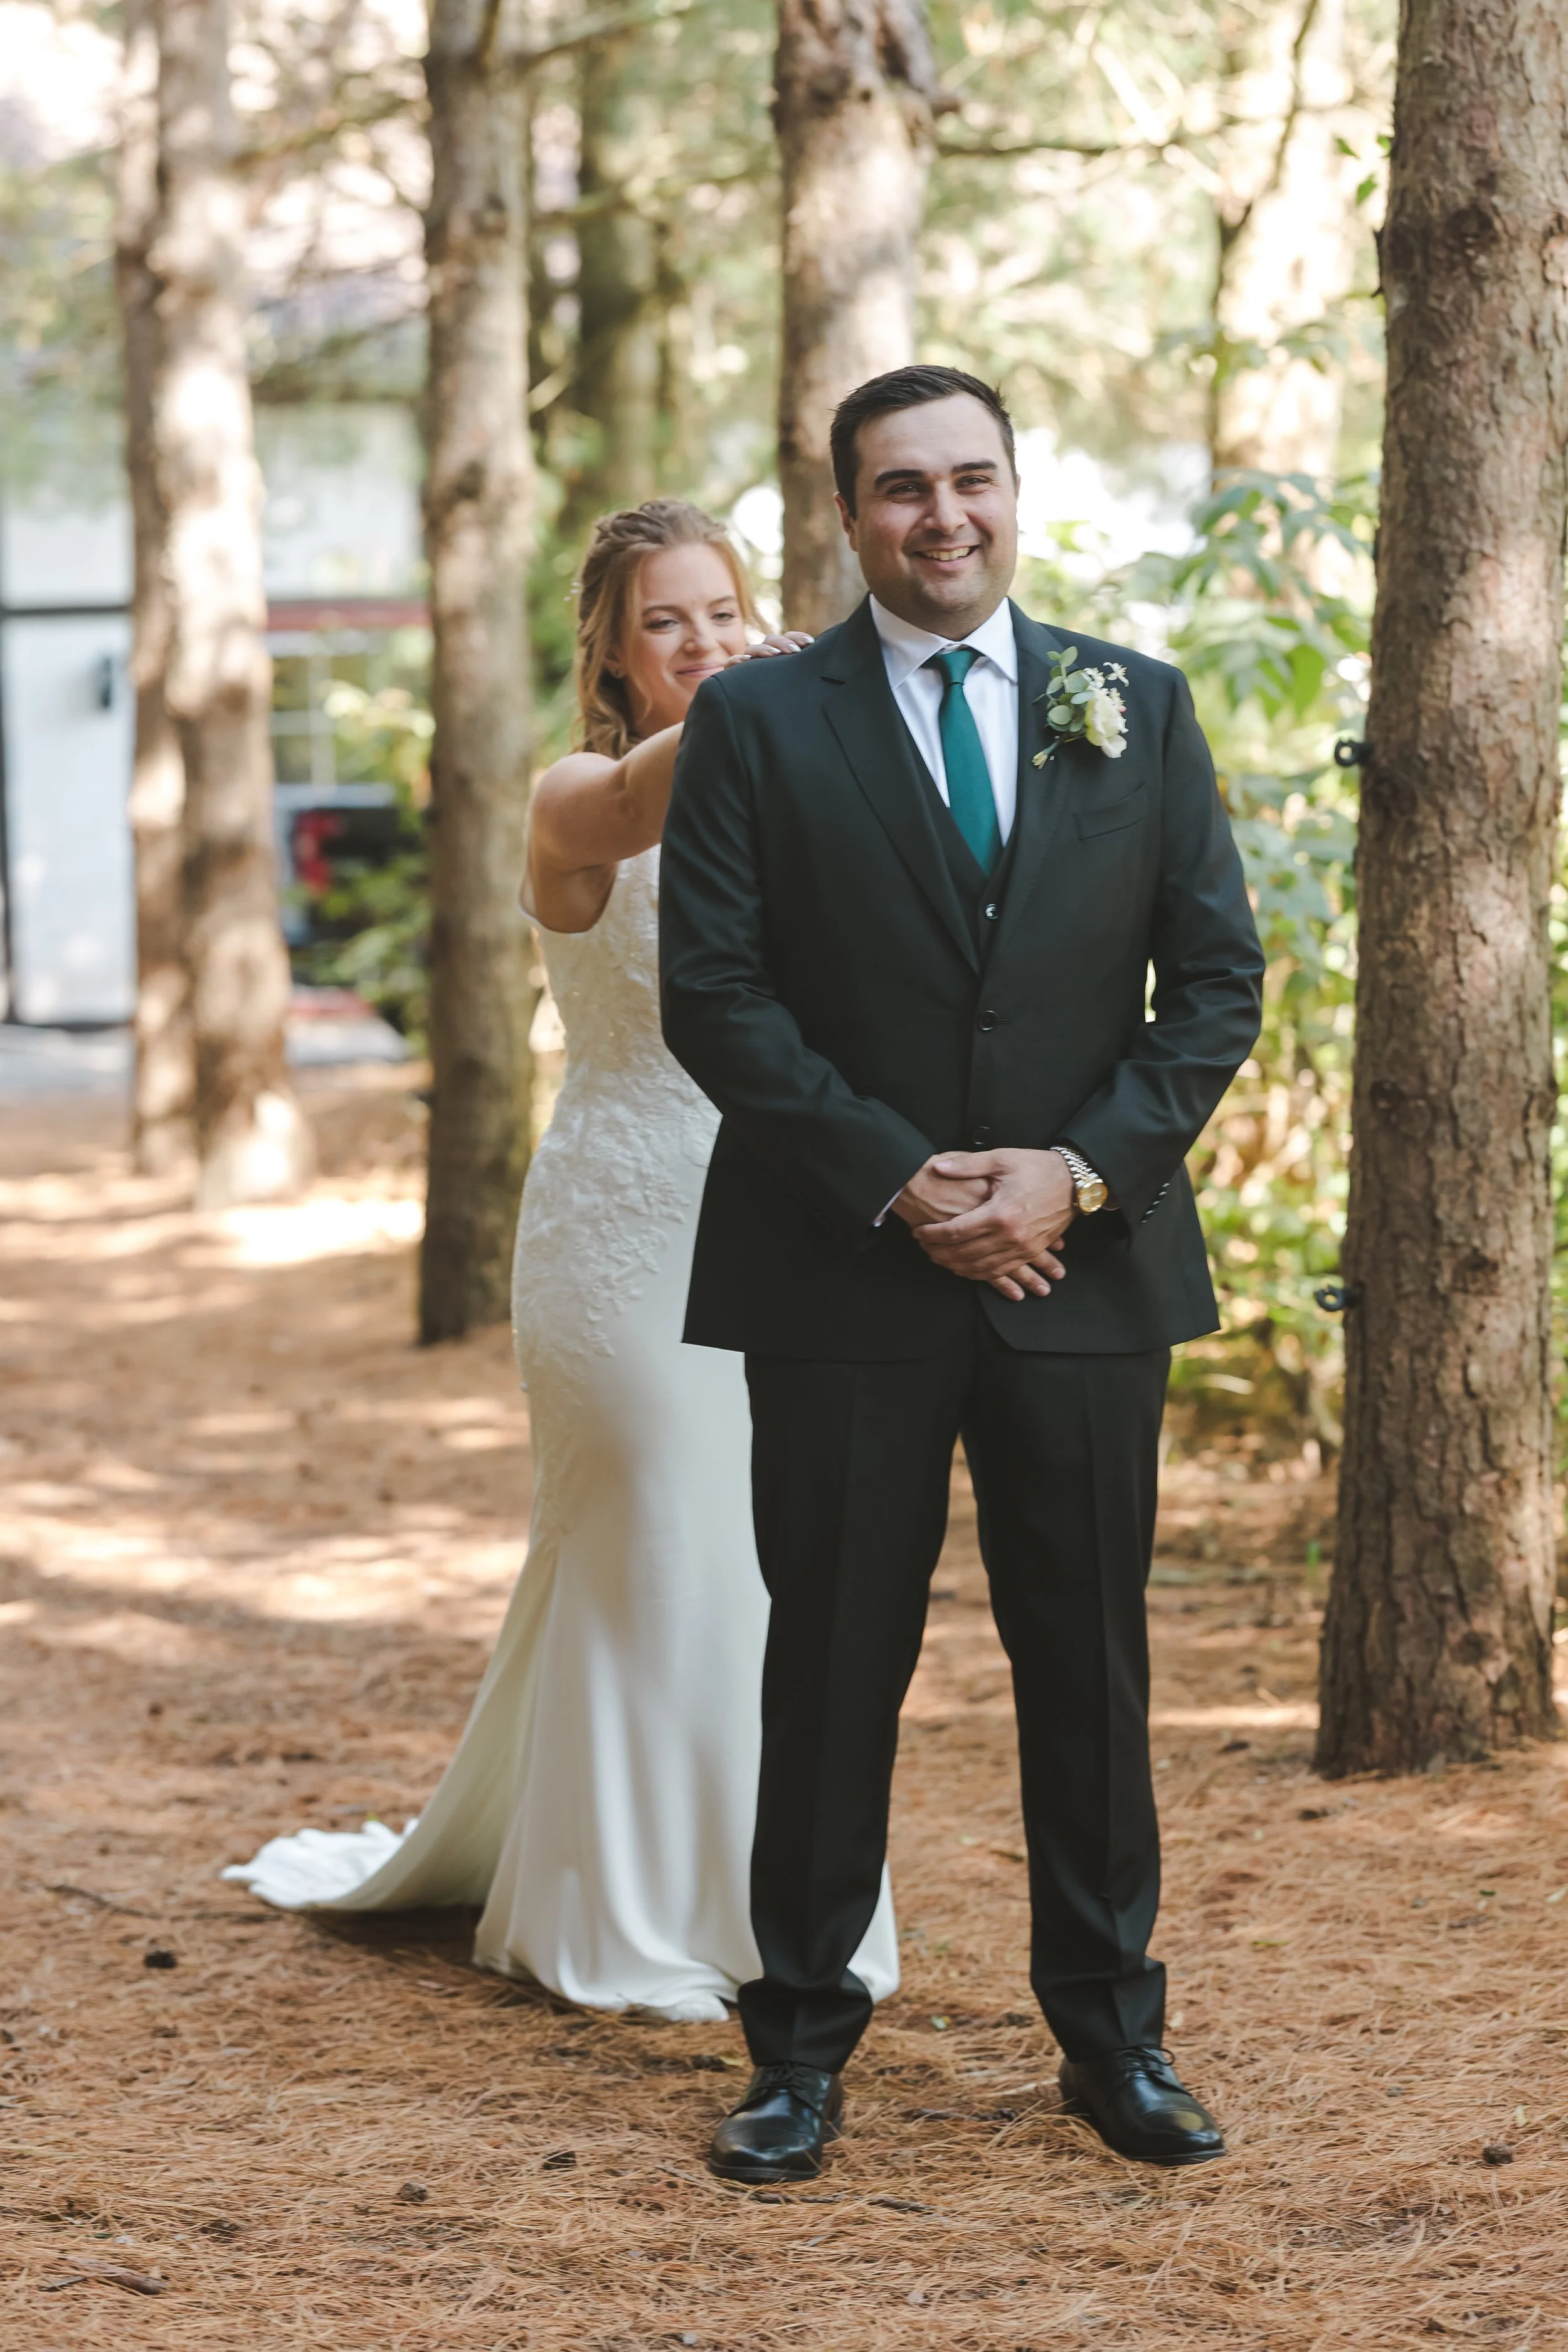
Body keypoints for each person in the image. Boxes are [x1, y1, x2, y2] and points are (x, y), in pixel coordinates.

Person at [659, 367, 1264, 2178]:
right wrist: (896, 1177)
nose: (944, 517)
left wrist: (1068, 1174)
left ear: (1017, 488)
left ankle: (1112, 2038)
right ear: (847, 514)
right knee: (830, 1660)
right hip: (840, 1271)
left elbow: (1213, 981)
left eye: (973, 480)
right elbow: (717, 992)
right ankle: (798, 2049)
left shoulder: (1134, 707)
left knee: (1086, 1662)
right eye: (901, 488)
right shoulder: (759, 721)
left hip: (1084, 1278)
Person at [224, 498, 899, 2025]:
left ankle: (767, 1907)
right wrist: (774, 688)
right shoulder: (579, 789)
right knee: (650, 1521)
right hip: (620, 1218)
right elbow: (668, 789)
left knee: (754, 1556)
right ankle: (618, 1908)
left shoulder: (783, 766)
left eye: (723, 612)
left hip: (775, 1211)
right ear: (609, 650)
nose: (704, 644)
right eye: (667, 621)